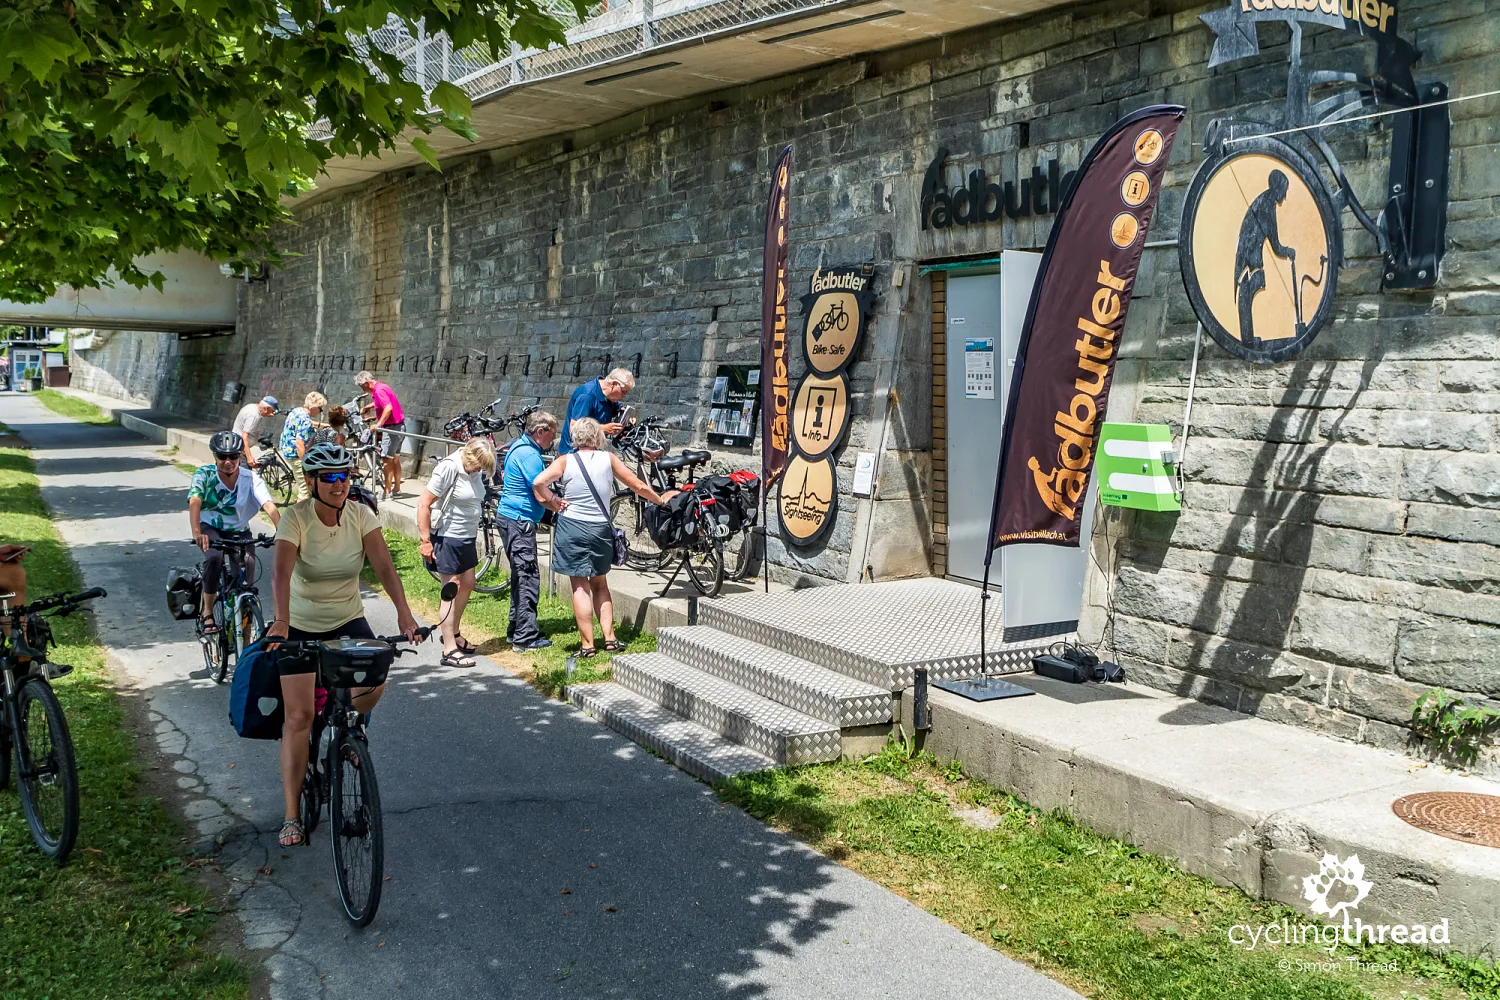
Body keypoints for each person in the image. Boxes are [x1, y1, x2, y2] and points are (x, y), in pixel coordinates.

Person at [265, 443, 422, 848]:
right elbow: (280, 574)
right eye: (330, 478)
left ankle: (348, 727)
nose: (339, 485)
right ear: (312, 482)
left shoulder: (360, 515)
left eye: (345, 476)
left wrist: (404, 614)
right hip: (299, 623)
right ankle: (291, 815)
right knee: (298, 719)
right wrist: (281, 621)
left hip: (347, 620)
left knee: (376, 678)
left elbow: (384, 566)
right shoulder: (296, 519)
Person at [531, 418, 673, 657]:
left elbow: (538, 482)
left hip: (572, 525)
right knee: (600, 584)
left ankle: (587, 645)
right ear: (598, 438)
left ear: (576, 438)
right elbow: (636, 484)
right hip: (599, 527)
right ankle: (610, 638)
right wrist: (659, 500)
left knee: (579, 586)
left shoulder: (565, 461)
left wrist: (553, 501)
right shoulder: (609, 459)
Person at [189, 432, 281, 634]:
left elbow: (269, 505)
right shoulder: (204, 475)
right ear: (215, 456)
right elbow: (195, 501)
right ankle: (207, 611)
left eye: (234, 456)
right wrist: (197, 532)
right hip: (211, 526)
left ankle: (245, 635)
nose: (228, 462)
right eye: (222, 457)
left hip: (239, 530)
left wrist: (281, 530)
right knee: (213, 559)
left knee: (247, 577)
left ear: (241, 456)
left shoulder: (250, 478)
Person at [416, 437, 496, 668]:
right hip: (447, 537)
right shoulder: (449, 468)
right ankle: (449, 649)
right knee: (451, 589)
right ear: (470, 457)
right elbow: (424, 503)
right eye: (479, 465)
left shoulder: (474, 470)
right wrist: (425, 541)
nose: (480, 470)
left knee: (468, 582)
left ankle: (454, 631)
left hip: (466, 537)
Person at [495, 411, 560, 653]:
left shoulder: (519, 447)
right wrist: (558, 504)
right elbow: (540, 491)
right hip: (518, 521)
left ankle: (517, 629)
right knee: (528, 577)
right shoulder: (529, 454)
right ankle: (525, 637)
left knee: (520, 576)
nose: (553, 438)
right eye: (552, 433)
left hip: (512, 518)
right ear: (540, 432)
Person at [558, 368, 636, 455]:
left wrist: (627, 416)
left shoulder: (608, 395)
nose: (624, 396)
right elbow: (574, 427)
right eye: (623, 392)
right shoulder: (587, 396)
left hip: (593, 450)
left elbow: (618, 408)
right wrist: (604, 428)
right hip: (574, 453)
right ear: (614, 384)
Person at [354, 370, 406, 496]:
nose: (362, 389)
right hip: (400, 427)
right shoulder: (382, 387)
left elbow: (388, 408)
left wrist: (378, 425)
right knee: (395, 459)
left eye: (361, 386)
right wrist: (369, 407)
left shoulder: (378, 390)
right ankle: (397, 488)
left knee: (386, 460)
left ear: (366, 383)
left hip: (391, 428)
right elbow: (382, 401)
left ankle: (386, 492)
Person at [278, 391, 326, 500]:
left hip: (287, 450)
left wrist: (321, 425)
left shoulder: (297, 411)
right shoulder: (305, 420)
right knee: (304, 490)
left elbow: (305, 423)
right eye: (320, 408)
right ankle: (299, 515)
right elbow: (300, 444)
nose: (320, 411)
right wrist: (306, 464)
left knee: (303, 486)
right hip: (296, 456)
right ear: (314, 406)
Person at [233, 396, 279, 467]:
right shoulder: (254, 416)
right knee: (246, 474)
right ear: (266, 408)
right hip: (239, 449)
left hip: (237, 445)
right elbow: (244, 437)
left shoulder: (252, 407)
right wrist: (249, 457)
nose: (272, 413)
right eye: (272, 411)